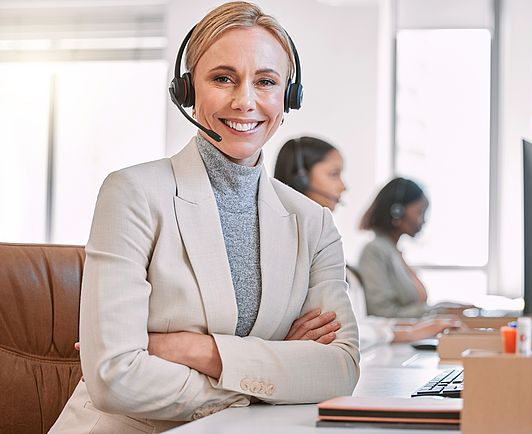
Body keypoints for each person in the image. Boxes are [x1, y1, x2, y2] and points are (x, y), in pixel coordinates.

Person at [50, 3, 359, 433]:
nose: (245, 100)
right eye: (222, 78)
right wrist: (265, 378)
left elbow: (339, 369)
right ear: (188, 91)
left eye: (266, 82)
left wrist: (194, 350)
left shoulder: (313, 223)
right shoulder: (133, 193)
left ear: (288, 98)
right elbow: (112, 378)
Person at [274, 137, 459, 349]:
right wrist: (407, 332)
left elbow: (351, 325)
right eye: (334, 174)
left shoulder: (324, 244)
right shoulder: (286, 250)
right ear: (301, 180)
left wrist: (407, 330)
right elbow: (335, 330)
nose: (343, 187)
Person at [358, 178, 469, 318]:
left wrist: (447, 308)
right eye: (419, 212)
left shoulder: (394, 252)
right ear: (397, 211)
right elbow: (382, 313)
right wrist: (438, 312)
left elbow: (418, 307)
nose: (423, 220)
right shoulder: (374, 251)